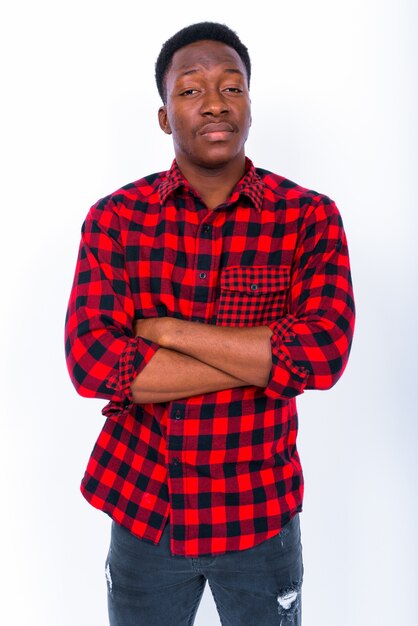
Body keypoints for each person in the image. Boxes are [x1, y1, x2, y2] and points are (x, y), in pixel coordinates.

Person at [65, 21, 355, 626]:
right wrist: (266, 362)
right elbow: (93, 364)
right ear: (166, 116)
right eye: (191, 90)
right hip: (146, 507)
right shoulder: (116, 219)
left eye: (232, 86)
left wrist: (166, 331)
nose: (216, 102)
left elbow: (323, 356)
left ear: (250, 103)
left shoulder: (308, 218)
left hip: (259, 512)